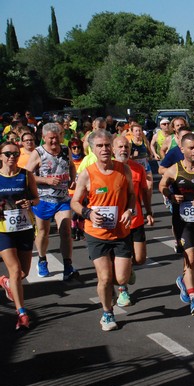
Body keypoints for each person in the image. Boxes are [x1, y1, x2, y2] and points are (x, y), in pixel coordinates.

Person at [71, 130, 136, 331]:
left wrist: (130, 210)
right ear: (92, 149)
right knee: (105, 278)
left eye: (107, 145)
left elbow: (132, 196)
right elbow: (74, 202)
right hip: (96, 233)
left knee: (121, 279)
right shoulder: (87, 174)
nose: (105, 149)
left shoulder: (123, 170)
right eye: (100, 146)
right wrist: (87, 213)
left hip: (121, 233)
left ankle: (122, 278)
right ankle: (107, 314)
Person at [159, 133, 194, 316]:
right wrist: (171, 195)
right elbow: (162, 185)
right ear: (182, 149)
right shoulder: (175, 169)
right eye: (191, 147)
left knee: (193, 258)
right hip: (182, 222)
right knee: (192, 259)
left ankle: (183, 281)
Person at [25, 123, 78, 280]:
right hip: (43, 199)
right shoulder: (38, 153)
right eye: (51, 139)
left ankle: (67, 265)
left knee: (66, 231)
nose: (54, 141)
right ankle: (42, 259)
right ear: (43, 138)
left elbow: (71, 166)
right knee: (43, 232)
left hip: (62, 199)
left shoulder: (65, 149)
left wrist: (72, 180)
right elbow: (27, 175)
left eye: (57, 137)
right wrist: (45, 180)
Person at [0, 141, 39, 330]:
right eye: (7, 154)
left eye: (15, 154)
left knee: (22, 273)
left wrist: (30, 202)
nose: (11, 157)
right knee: (15, 270)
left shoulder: (25, 175)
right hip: (3, 230)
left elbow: (37, 198)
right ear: (0, 156)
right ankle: (22, 313)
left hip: (24, 228)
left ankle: (6, 282)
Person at [113, 135, 154, 307]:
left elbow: (144, 192)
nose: (124, 150)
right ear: (113, 149)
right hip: (115, 224)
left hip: (136, 220)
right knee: (121, 258)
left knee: (140, 258)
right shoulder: (108, 169)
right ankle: (123, 291)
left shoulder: (138, 168)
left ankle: (127, 270)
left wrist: (149, 211)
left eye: (127, 147)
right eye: (120, 147)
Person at [127, 123, 153, 200]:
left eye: (140, 130)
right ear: (132, 132)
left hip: (145, 166)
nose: (138, 132)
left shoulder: (145, 141)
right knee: (136, 188)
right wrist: (133, 156)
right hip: (135, 169)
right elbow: (126, 158)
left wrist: (150, 156)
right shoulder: (130, 143)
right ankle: (137, 203)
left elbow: (150, 152)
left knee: (149, 186)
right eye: (136, 131)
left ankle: (148, 202)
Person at [68, 138, 86, 241]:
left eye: (78, 147)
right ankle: (73, 229)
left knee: (82, 212)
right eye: (74, 148)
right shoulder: (68, 161)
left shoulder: (84, 160)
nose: (76, 150)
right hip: (72, 191)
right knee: (74, 213)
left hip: (83, 190)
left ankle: (81, 229)